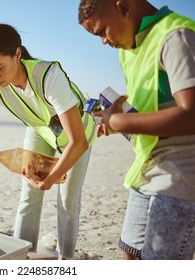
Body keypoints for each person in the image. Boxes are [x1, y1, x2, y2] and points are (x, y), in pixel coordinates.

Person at [0, 23, 96, 260]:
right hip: (40, 131)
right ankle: (19, 256)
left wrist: (52, 178)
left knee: (67, 201)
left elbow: (79, 142)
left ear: (17, 54)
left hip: (77, 136)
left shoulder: (49, 77)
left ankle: (66, 259)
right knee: (29, 195)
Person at [78, 0, 195, 260]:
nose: (103, 42)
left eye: (101, 31)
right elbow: (155, 107)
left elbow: (191, 114)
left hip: (181, 177)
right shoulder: (128, 50)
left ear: (122, 7)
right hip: (146, 169)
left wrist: (119, 122)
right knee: (129, 255)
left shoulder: (176, 35)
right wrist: (117, 116)